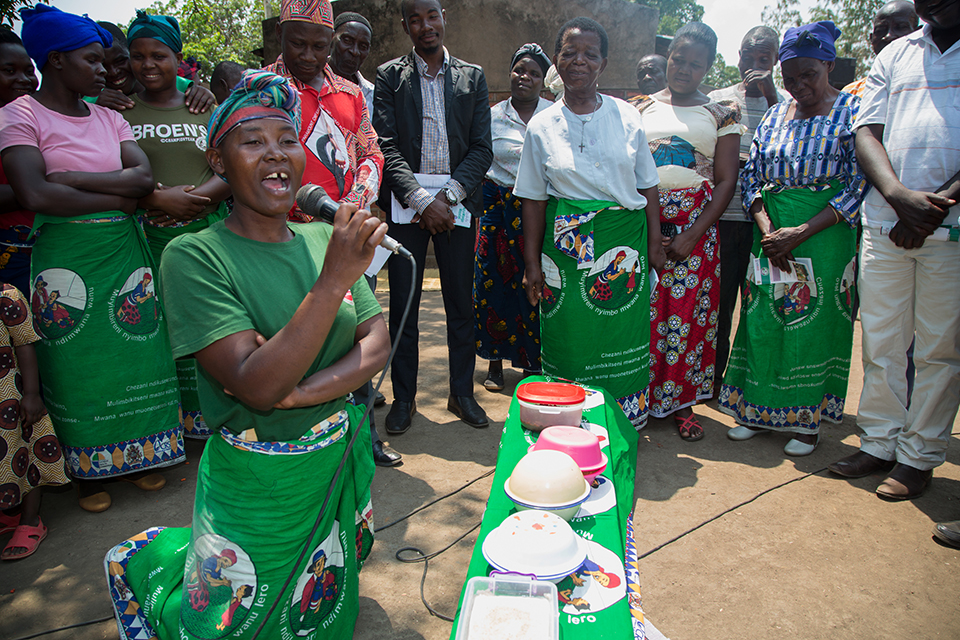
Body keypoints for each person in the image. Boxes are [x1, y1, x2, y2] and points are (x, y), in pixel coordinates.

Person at [104, 70, 389, 640]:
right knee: (232, 620)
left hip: (331, 456)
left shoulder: (319, 237)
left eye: (287, 141)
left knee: (320, 605)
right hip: (255, 478)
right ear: (219, 161)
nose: (276, 155)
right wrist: (331, 283)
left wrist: (301, 392)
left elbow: (376, 341)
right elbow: (254, 385)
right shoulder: (194, 257)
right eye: (252, 142)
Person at [0, 5, 183, 511]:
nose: (105, 70)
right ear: (56, 61)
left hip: (123, 251)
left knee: (135, 348)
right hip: (65, 255)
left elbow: (142, 182)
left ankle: (139, 456)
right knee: (75, 360)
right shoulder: (20, 115)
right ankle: (88, 474)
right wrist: (116, 196)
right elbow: (34, 195)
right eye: (92, 60)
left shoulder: (109, 116)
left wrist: (74, 180)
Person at [827, 0, 959, 499]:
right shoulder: (896, 53)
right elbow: (866, 132)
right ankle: (879, 443)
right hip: (885, 222)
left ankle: (919, 456)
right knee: (882, 341)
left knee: (938, 349)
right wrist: (899, 198)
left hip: (950, 229)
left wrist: (933, 207)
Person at [719, 21, 869, 456]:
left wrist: (801, 231)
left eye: (809, 75)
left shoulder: (851, 111)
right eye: (790, 78)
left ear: (828, 65)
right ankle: (757, 411)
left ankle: (805, 422)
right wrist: (768, 230)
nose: (799, 86)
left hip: (823, 234)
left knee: (810, 321)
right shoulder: (773, 114)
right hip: (771, 234)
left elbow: (857, 183)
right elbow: (752, 176)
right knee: (763, 317)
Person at [516, 17, 663, 428]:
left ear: (603, 62)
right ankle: (569, 416)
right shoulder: (541, 126)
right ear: (556, 61)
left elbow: (648, 186)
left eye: (590, 54)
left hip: (623, 242)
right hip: (567, 245)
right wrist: (531, 265)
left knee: (617, 325)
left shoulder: (627, 115)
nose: (579, 61)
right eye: (569, 53)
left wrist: (654, 245)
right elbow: (533, 199)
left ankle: (620, 419)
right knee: (571, 335)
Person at [374, 0, 493, 433]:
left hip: (457, 204)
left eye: (432, 16)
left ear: (444, 17)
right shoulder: (389, 77)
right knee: (403, 305)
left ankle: (461, 394)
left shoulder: (472, 76)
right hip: (408, 208)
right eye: (415, 19)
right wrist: (423, 202)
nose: (426, 26)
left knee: (461, 302)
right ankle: (404, 399)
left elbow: (482, 148)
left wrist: (448, 197)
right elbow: (385, 145)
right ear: (406, 25)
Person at [122, 11, 233, 439]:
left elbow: (234, 165)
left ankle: (214, 423)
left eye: (158, 55)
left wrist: (200, 202)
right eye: (138, 56)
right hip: (147, 242)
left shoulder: (204, 106)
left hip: (207, 238)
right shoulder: (117, 110)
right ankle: (168, 430)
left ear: (178, 57)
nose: (148, 65)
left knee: (211, 329)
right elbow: (109, 171)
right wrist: (155, 198)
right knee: (159, 337)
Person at [632, 22, 742, 440]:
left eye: (696, 64)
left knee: (688, 316)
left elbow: (727, 180)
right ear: (668, 56)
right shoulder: (638, 106)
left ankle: (681, 404)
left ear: (709, 68)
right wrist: (650, 229)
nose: (684, 70)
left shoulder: (722, 112)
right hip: (645, 218)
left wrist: (692, 234)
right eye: (678, 59)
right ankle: (639, 398)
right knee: (643, 314)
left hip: (697, 226)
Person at [327, 8, 397, 466]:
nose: (353, 50)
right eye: (345, 41)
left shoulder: (364, 95)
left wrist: (353, 206)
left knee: (359, 330)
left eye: (361, 44)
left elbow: (374, 154)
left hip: (353, 230)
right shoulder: (278, 86)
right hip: (302, 230)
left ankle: (365, 439)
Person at [708, 26, 786, 396]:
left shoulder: (788, 102)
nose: (755, 67)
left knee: (762, 309)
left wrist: (772, 97)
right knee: (719, 306)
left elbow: (788, 145)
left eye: (764, 59)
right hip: (723, 220)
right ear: (737, 57)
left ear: (775, 61)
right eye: (749, 58)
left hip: (767, 225)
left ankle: (752, 385)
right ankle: (713, 380)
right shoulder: (718, 100)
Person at [474, 43, 552, 392]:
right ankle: (494, 362)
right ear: (510, 72)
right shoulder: (490, 115)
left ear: (543, 81)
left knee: (535, 283)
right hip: (496, 206)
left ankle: (532, 362)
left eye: (534, 73)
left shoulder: (554, 115)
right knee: (494, 283)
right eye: (520, 69)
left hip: (538, 209)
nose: (526, 77)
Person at [266, 0, 383, 220]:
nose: (308, 56)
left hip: (343, 228)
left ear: (330, 40)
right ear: (279, 32)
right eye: (297, 44)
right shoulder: (261, 91)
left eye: (319, 47)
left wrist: (351, 204)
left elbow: (370, 153)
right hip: (281, 231)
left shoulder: (351, 93)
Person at [0, 282, 69, 560]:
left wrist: (31, 393)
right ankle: (10, 513)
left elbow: (25, 345)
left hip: (8, 398)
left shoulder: (7, 297)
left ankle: (30, 520)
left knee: (24, 455)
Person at [91, 21, 214, 115]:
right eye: (103, 65)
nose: (113, 72)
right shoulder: (93, 98)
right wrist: (94, 107)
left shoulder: (180, 86)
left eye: (120, 61)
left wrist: (204, 94)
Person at [0, 31, 38, 298]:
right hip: (7, 257)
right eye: (9, 70)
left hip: (46, 252)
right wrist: (38, 190)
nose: (24, 80)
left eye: (29, 70)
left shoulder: (40, 120)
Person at [843, 1, 919, 98]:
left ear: (919, 33)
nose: (888, 36)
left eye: (900, 27)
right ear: (871, 39)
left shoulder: (934, 85)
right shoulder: (850, 94)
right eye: (880, 30)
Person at [329, 11, 374, 114]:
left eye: (363, 47)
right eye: (347, 41)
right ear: (331, 38)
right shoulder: (309, 83)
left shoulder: (372, 95)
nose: (354, 52)